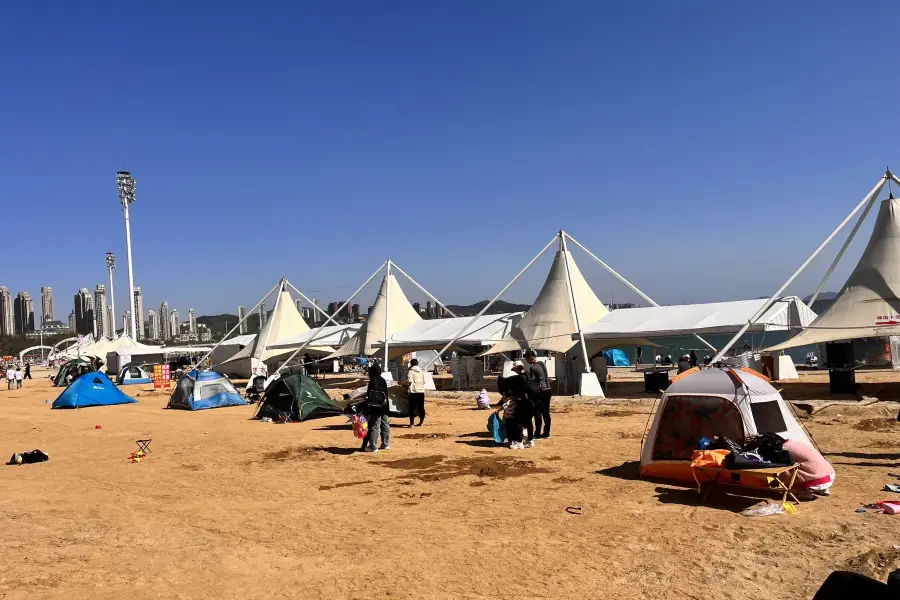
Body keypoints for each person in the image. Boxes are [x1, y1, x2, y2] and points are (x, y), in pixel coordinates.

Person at [500, 361, 533, 449]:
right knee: (528, 421)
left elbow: (516, 393)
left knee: (517, 422)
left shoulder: (519, 379)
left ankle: (518, 442)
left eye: (514, 369)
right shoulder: (528, 375)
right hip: (530, 402)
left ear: (517, 368)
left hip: (521, 402)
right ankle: (530, 440)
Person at [525, 350, 552, 438]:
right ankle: (546, 433)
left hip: (540, 392)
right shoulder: (542, 364)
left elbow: (532, 381)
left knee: (537, 412)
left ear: (532, 357)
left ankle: (537, 433)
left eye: (527, 358)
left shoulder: (533, 367)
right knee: (546, 413)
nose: (526, 360)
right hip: (548, 389)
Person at [364, 363, 391, 452]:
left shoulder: (373, 380)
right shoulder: (382, 380)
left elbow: (371, 394)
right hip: (385, 405)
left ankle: (373, 446)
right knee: (385, 424)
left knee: (375, 425)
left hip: (377, 406)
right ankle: (385, 444)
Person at [405, 358, 427, 427]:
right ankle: (421, 423)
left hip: (413, 391)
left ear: (411, 364)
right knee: (421, 407)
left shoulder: (410, 371)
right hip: (421, 391)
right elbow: (424, 381)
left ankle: (412, 424)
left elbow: (409, 381)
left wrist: (404, 384)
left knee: (412, 407)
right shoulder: (421, 371)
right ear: (417, 364)